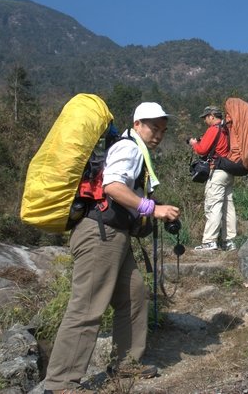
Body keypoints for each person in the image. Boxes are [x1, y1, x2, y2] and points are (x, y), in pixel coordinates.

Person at [44, 102, 180, 394]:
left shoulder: (136, 150)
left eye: (163, 130)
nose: (158, 134)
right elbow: (113, 187)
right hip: (100, 235)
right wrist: (152, 208)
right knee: (87, 307)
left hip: (114, 235)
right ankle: (60, 383)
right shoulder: (129, 148)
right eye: (154, 127)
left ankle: (127, 362)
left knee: (133, 295)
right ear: (138, 123)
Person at [188, 105, 237, 251]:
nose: (205, 121)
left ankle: (210, 241)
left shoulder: (213, 129)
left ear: (211, 116)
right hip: (228, 170)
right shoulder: (227, 130)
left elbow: (202, 149)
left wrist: (194, 143)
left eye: (205, 117)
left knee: (213, 205)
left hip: (216, 171)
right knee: (228, 207)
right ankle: (229, 241)